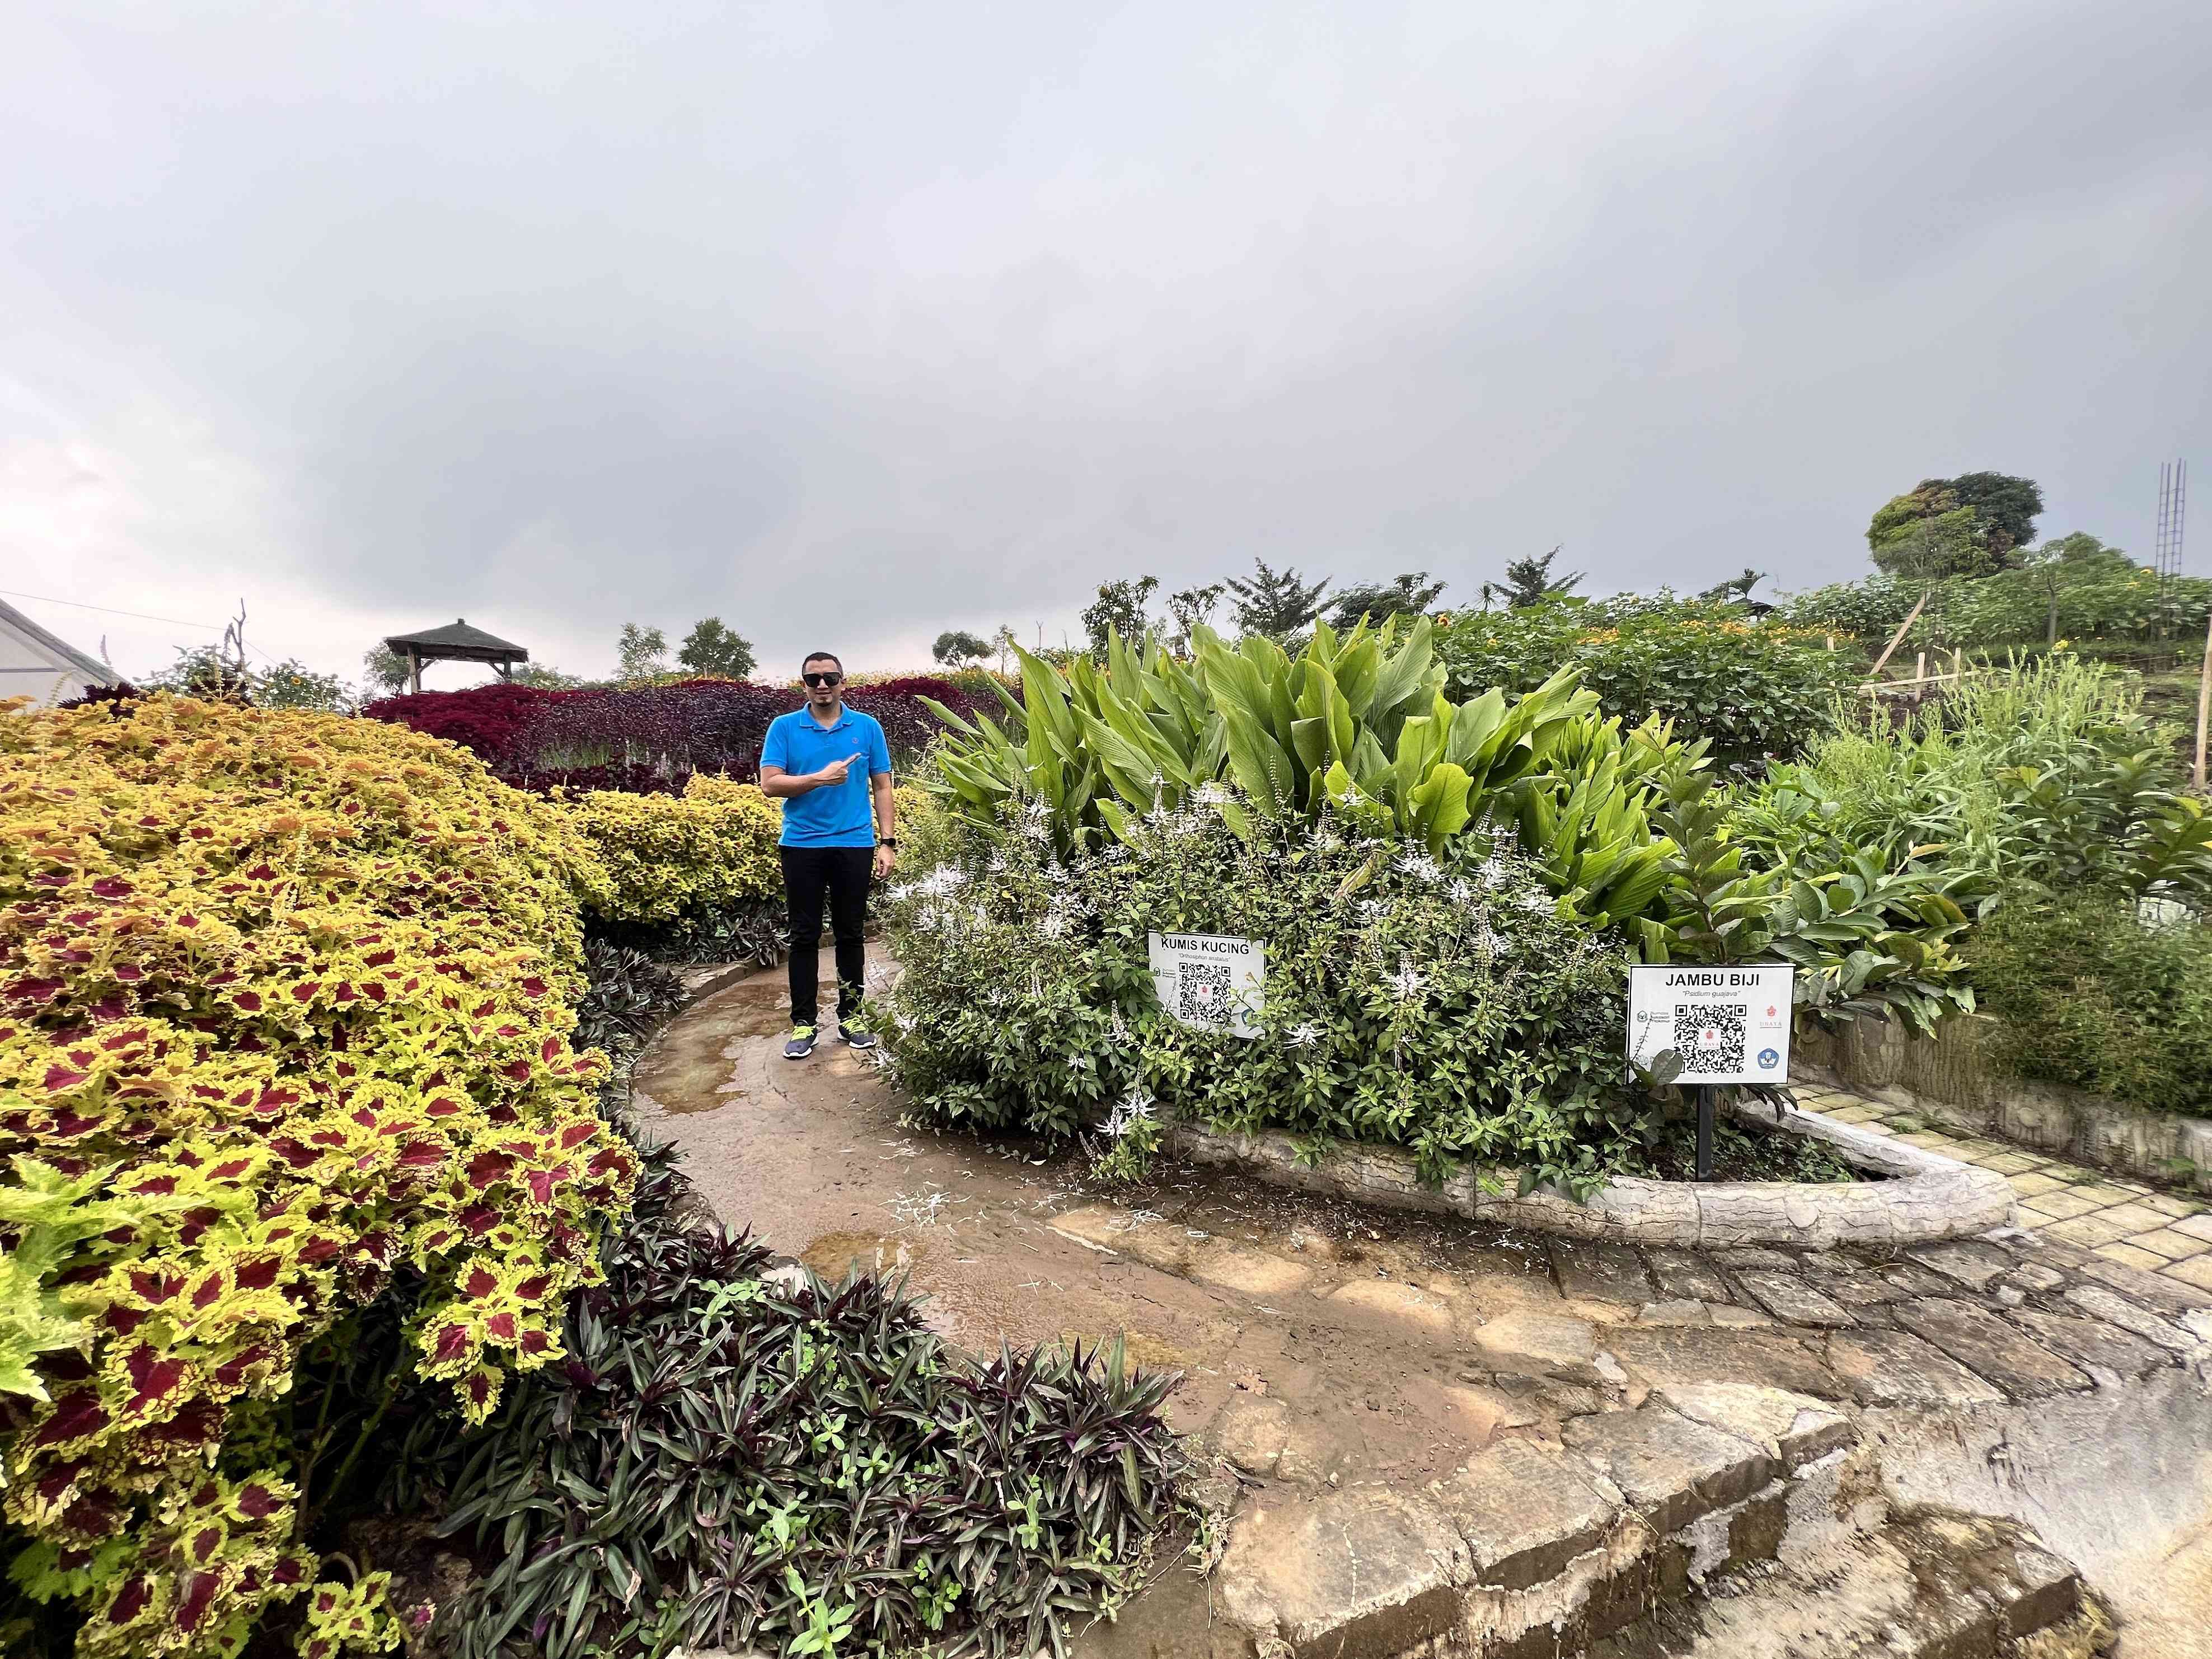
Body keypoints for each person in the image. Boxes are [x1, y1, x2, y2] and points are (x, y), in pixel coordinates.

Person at [758, 652, 897, 1058]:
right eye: (813, 679)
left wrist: (887, 842)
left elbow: (883, 787)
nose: (822, 685)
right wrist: (821, 779)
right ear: (803, 684)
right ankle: (804, 1024)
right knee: (804, 936)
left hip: (855, 843)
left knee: (851, 933)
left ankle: (852, 1017)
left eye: (830, 678)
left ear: (843, 682)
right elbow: (769, 785)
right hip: (802, 845)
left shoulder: (867, 728)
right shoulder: (784, 728)